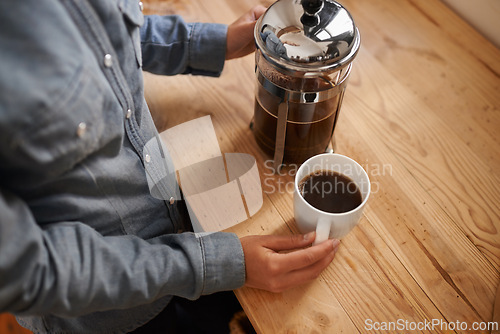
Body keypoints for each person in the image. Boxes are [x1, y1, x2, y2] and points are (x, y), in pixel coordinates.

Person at [0, 0, 341, 333]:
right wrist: (213, 265)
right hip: (108, 312)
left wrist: (206, 43)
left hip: (177, 217)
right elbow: (29, 269)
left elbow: (101, 40)